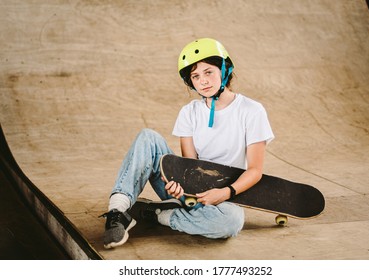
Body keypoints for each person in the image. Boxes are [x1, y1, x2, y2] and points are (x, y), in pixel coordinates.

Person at [101, 38, 274, 249]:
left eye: (208, 72)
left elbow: (255, 170)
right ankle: (118, 212)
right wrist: (178, 186)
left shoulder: (251, 111)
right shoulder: (189, 112)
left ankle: (157, 214)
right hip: (189, 191)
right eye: (195, 76)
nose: (203, 81)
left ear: (224, 69)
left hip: (223, 197)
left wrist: (225, 192)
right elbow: (189, 167)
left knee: (231, 222)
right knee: (148, 137)